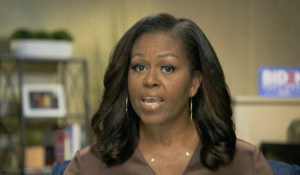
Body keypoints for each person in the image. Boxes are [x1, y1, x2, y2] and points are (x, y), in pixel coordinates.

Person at [64, 13, 274, 175]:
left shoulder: (245, 163)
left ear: (194, 83)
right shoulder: (89, 165)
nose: (149, 80)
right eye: (139, 67)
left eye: (167, 68)